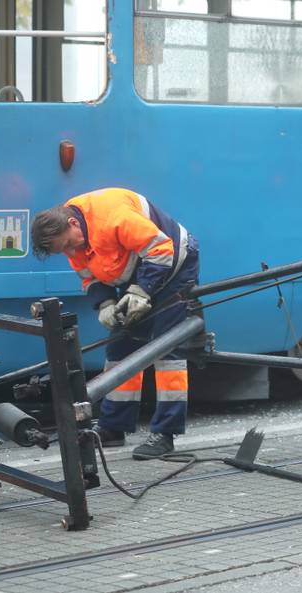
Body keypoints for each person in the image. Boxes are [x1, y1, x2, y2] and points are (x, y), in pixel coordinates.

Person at [31, 188, 200, 459]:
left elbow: (160, 249)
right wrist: (105, 303)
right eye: (64, 250)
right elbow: (90, 275)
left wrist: (141, 291)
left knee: (167, 350)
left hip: (174, 265)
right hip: (141, 270)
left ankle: (165, 434)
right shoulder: (70, 236)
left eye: (69, 245)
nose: (71, 252)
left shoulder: (113, 217)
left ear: (72, 223)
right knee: (121, 348)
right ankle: (113, 427)